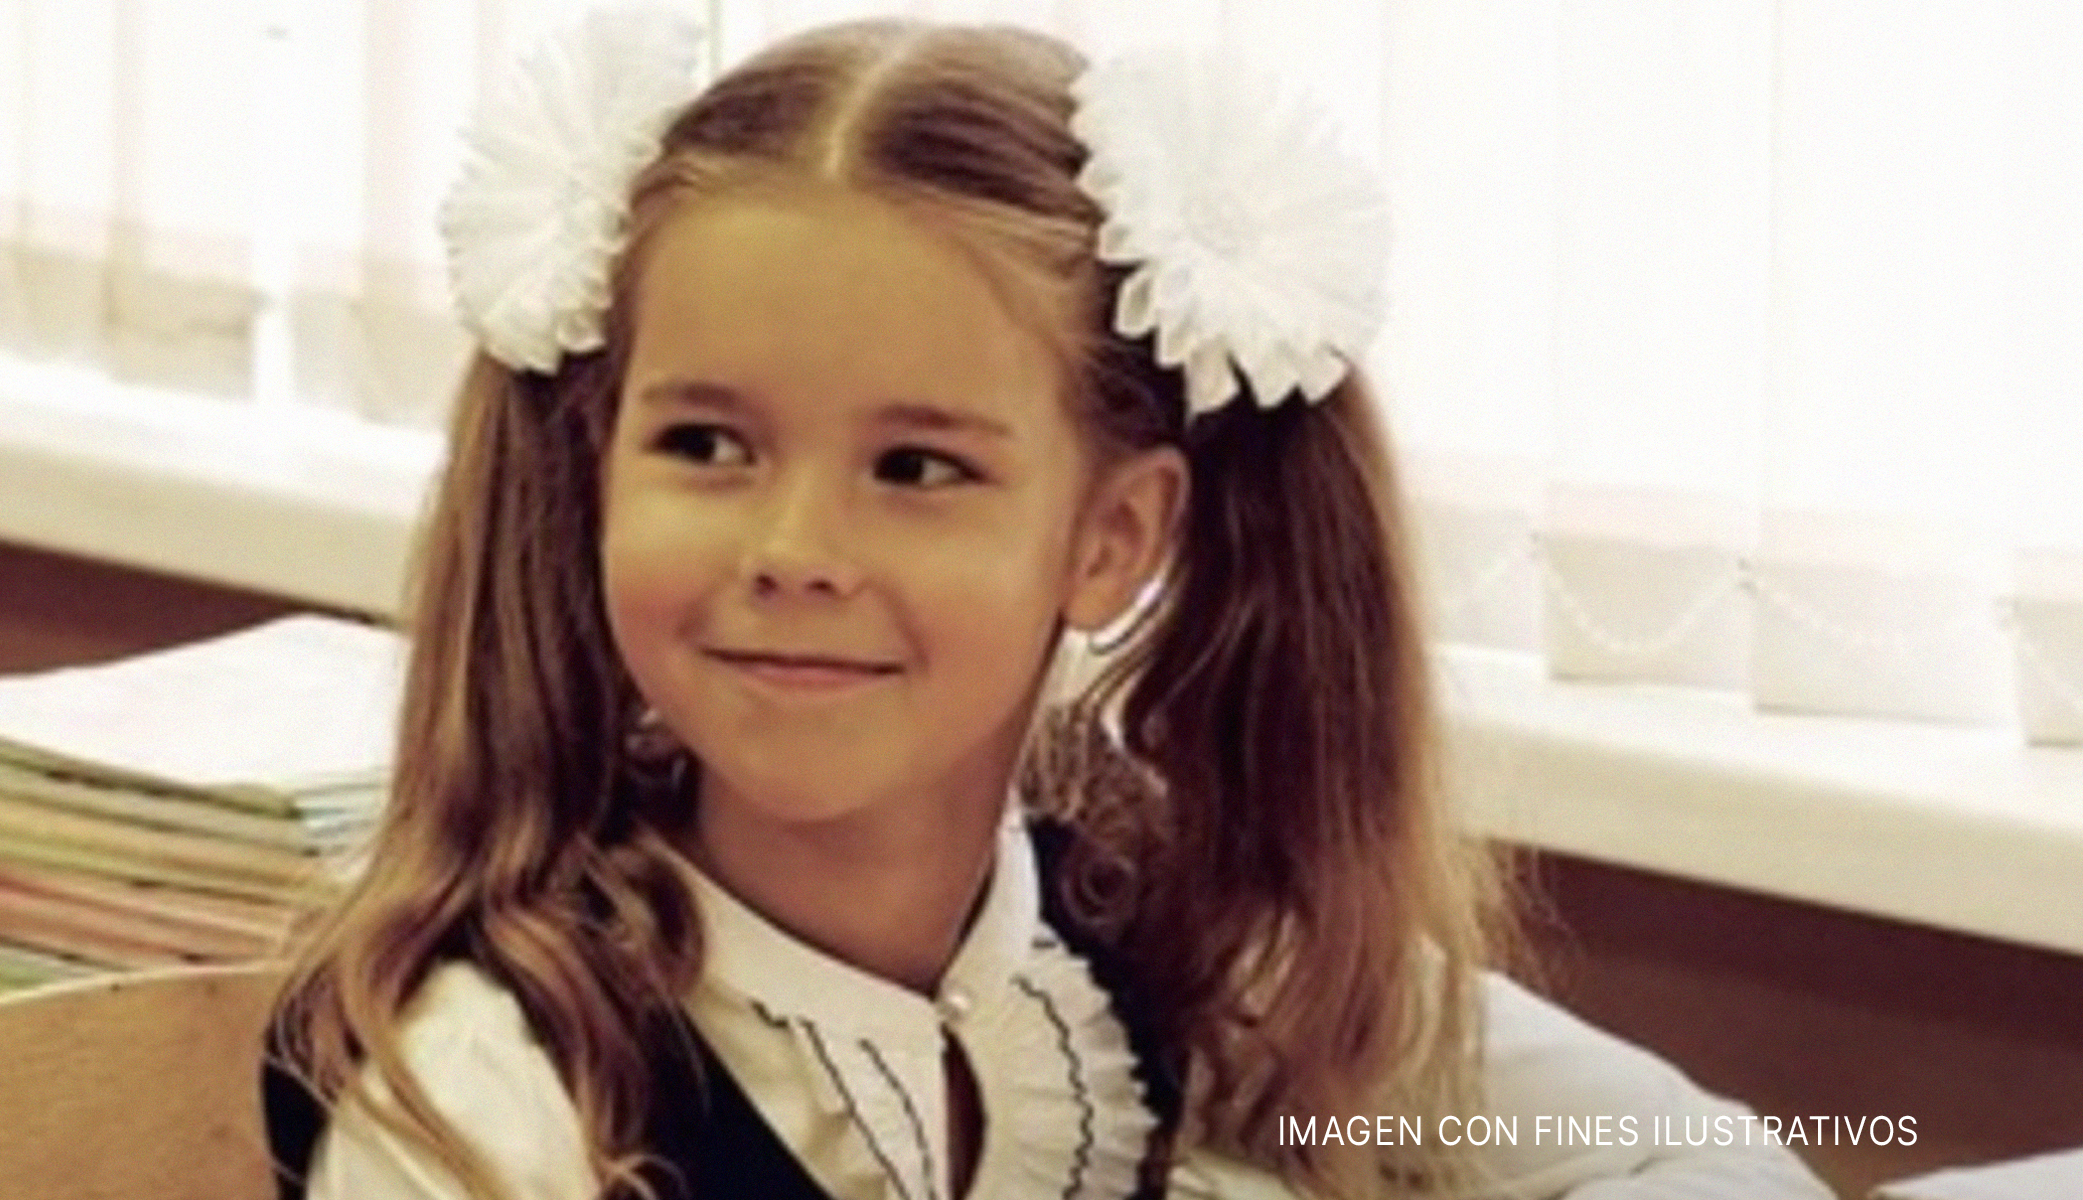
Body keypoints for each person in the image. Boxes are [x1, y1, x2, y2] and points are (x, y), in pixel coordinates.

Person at [263, 10, 1834, 1200]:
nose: (796, 545)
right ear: (596, 468)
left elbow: (1701, 1161)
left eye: (920, 467)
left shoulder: (1186, 947)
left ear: (1112, 533)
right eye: (708, 445)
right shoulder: (495, 1080)